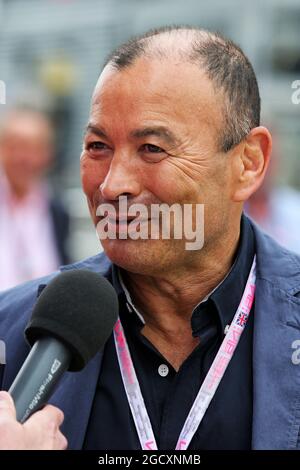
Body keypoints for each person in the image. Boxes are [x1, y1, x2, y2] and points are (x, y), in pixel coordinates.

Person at [0, 26, 300, 450]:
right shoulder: (13, 335)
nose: (111, 185)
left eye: (152, 149)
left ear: (248, 163)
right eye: (98, 145)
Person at [0, 108, 70, 291]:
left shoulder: (57, 212)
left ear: (48, 155)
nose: (24, 158)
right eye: (16, 146)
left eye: (33, 148)